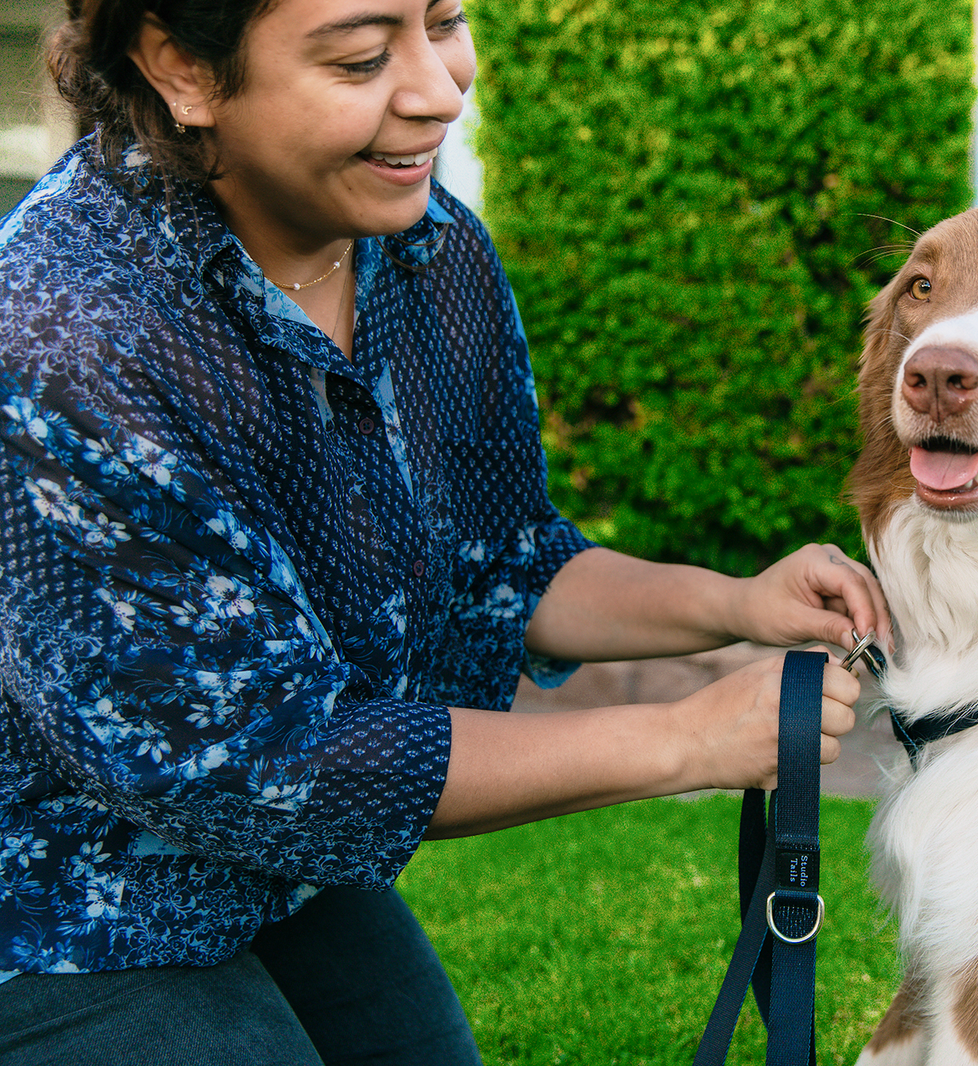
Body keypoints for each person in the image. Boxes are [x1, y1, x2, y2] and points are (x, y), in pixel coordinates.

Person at [0, 1, 889, 1062]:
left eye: (447, 20)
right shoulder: (66, 337)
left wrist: (733, 602)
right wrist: (686, 739)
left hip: (274, 872)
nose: (438, 90)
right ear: (181, 69)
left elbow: (501, 556)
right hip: (47, 893)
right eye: (364, 56)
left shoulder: (427, 247)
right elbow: (270, 761)